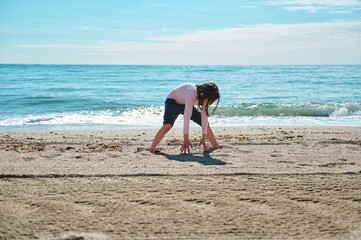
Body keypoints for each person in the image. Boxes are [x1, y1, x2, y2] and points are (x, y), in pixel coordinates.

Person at [149, 82, 221, 153]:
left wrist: (203, 138)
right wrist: (186, 139)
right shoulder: (192, 93)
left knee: (205, 123)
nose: (211, 102)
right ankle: (151, 150)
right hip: (173, 102)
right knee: (167, 126)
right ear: (202, 94)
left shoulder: (203, 97)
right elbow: (187, 117)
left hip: (185, 103)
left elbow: (204, 118)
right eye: (211, 100)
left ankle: (215, 146)